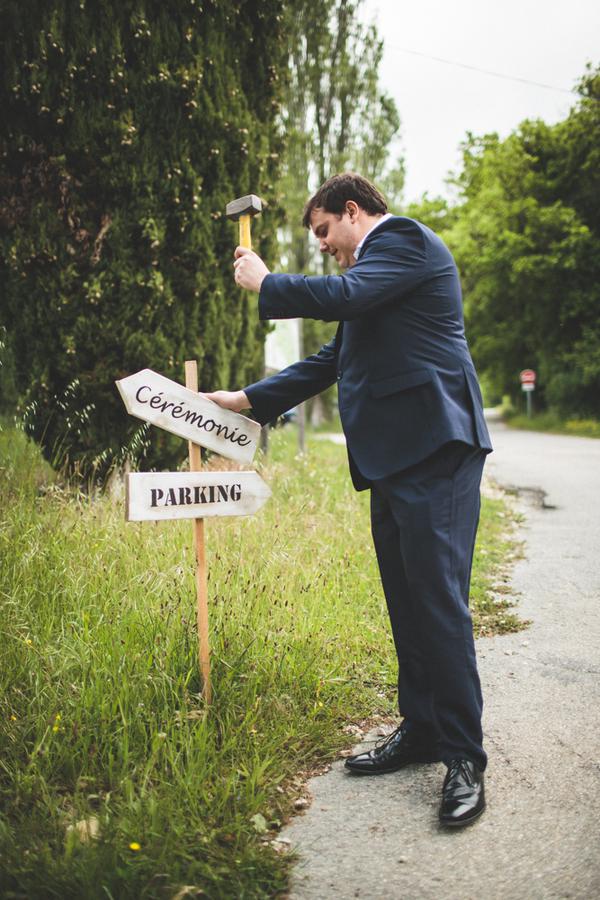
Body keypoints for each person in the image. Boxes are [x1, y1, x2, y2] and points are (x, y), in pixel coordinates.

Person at [205, 172, 493, 828]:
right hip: (392, 460)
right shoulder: (377, 283)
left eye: (324, 231)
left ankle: (464, 759)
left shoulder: (403, 244)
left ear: (354, 211)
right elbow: (334, 360)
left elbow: (344, 295)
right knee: (406, 600)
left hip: (435, 452)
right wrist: (249, 400)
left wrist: (268, 283)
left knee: (439, 603)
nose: (324, 246)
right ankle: (421, 730)